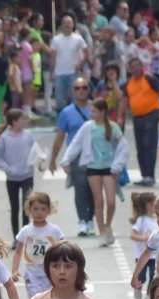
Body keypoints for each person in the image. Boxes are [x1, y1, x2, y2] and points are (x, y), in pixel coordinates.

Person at [62, 99, 129, 246]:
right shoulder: (88, 127)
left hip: (109, 167)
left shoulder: (112, 127)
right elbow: (76, 144)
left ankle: (108, 224)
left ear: (102, 112)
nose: (91, 114)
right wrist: (66, 160)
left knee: (111, 201)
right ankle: (102, 232)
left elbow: (123, 146)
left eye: (94, 111)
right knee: (99, 201)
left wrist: (117, 165)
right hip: (93, 167)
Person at [50, 77, 96, 237]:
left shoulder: (95, 109)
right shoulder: (66, 112)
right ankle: (83, 220)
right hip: (76, 156)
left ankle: (91, 220)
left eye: (84, 87)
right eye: (77, 88)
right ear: (73, 91)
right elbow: (60, 136)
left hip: (95, 155)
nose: (81, 91)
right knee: (81, 187)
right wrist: (53, 159)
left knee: (94, 189)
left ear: (88, 90)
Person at [119, 58, 159, 188]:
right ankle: (144, 175)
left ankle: (149, 175)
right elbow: (123, 100)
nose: (136, 68)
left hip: (151, 115)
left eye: (138, 65)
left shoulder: (149, 79)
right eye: (133, 66)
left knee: (149, 144)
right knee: (140, 147)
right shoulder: (129, 84)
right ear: (129, 69)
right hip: (137, 117)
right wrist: (121, 116)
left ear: (142, 66)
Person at [11, 192, 64, 299]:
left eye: (43, 209)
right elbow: (18, 252)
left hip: (50, 273)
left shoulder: (54, 230)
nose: (39, 212)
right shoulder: (26, 231)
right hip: (31, 273)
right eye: (35, 209)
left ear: (48, 210)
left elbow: (64, 250)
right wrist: (14, 270)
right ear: (29, 210)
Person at [0, 109, 37, 238]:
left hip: (27, 176)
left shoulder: (28, 135)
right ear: (14, 122)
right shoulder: (4, 138)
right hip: (12, 178)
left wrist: (38, 160)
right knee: (14, 208)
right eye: (22, 119)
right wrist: (8, 169)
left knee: (26, 207)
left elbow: (35, 151)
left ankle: (26, 235)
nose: (24, 122)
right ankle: (16, 237)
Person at [50, 15, 90, 113]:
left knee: (75, 99)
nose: (67, 25)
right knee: (60, 101)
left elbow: (87, 52)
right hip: (59, 72)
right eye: (65, 23)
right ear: (62, 25)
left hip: (73, 72)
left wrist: (80, 64)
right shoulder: (56, 39)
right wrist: (51, 73)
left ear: (72, 25)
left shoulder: (78, 38)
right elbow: (53, 57)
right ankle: (60, 124)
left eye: (69, 23)